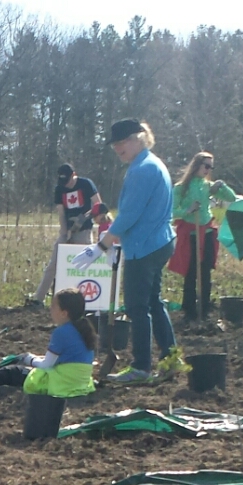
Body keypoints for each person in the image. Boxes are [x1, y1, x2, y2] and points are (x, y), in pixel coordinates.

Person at [100, 119, 176, 381]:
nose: (118, 148)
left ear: (138, 139)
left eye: (122, 143)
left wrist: (102, 245)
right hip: (159, 241)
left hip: (144, 246)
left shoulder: (141, 170)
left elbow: (129, 215)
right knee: (154, 302)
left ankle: (142, 366)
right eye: (115, 145)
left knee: (137, 307)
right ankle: (170, 358)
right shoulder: (152, 164)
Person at [0, 289, 102, 398]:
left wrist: (29, 359)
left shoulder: (62, 332)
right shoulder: (83, 329)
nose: (50, 310)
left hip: (61, 384)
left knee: (10, 372)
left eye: (54, 306)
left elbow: (46, 365)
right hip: (77, 382)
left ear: (64, 313)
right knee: (17, 374)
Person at [169, 153, 236, 322]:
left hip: (206, 232)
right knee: (191, 272)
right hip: (190, 234)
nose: (208, 170)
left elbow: (231, 198)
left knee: (205, 272)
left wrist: (221, 185)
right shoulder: (181, 187)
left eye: (211, 167)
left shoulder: (209, 187)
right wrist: (187, 211)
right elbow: (171, 211)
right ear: (197, 165)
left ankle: (205, 308)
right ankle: (189, 309)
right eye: (206, 166)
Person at [33, 163, 102, 303]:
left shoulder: (86, 184)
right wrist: (65, 233)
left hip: (84, 231)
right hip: (67, 231)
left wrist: (82, 220)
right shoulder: (59, 189)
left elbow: (98, 205)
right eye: (63, 182)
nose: (66, 185)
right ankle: (38, 299)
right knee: (53, 264)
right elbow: (61, 212)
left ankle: (88, 301)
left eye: (68, 181)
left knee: (84, 264)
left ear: (74, 175)